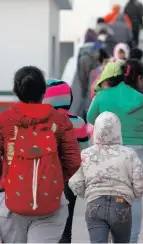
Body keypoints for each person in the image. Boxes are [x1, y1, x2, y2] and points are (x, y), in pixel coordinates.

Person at [0, 66, 81, 243]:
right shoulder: (60, 121)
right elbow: (73, 161)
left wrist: (11, 175)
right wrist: (54, 177)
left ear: (16, 91)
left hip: (11, 202)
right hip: (51, 201)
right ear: (44, 92)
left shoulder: (2, 119)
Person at [87, 60, 143, 243]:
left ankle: (108, 236)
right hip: (140, 151)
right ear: (140, 77)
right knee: (134, 196)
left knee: (107, 194)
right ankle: (131, 239)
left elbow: (91, 118)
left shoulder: (104, 96)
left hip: (110, 151)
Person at [69, 111, 143, 243]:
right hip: (121, 205)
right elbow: (141, 183)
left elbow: (75, 182)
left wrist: (89, 193)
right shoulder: (129, 154)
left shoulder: (87, 154)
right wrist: (129, 194)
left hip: (95, 205)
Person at [43, 79, 89, 243]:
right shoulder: (78, 122)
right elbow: (84, 152)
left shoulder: (41, 123)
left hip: (45, 179)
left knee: (45, 224)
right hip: (70, 180)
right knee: (66, 227)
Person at [77, 29, 103, 120]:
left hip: (83, 65)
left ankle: (86, 115)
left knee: (85, 92)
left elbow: (81, 78)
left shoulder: (82, 49)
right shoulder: (98, 46)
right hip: (96, 76)